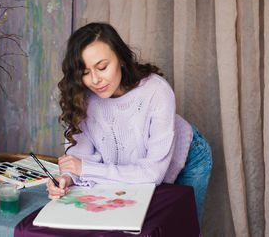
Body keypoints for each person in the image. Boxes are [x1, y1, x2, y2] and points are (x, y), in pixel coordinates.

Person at [46, 22, 212, 224]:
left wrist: (84, 169)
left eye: (102, 67)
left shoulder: (157, 91)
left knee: (179, 228)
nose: (95, 80)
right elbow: (80, 159)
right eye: (85, 72)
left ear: (121, 59)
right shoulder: (82, 98)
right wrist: (66, 179)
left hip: (187, 158)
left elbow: (152, 173)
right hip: (130, 170)